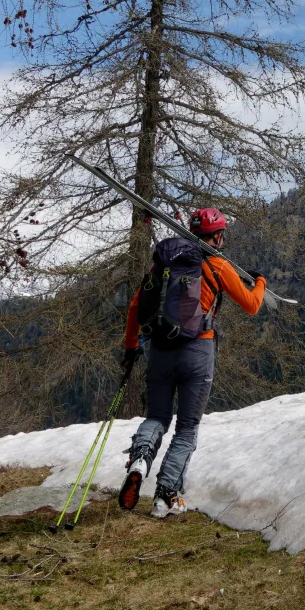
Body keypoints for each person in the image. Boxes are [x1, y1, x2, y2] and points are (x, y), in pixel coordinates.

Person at [118, 207, 266, 518]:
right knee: (186, 428)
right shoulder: (217, 265)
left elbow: (135, 307)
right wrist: (260, 281)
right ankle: (165, 496)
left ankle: (141, 458)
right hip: (197, 353)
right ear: (218, 236)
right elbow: (252, 305)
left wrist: (132, 348)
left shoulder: (164, 265)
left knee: (157, 417)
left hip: (160, 351)